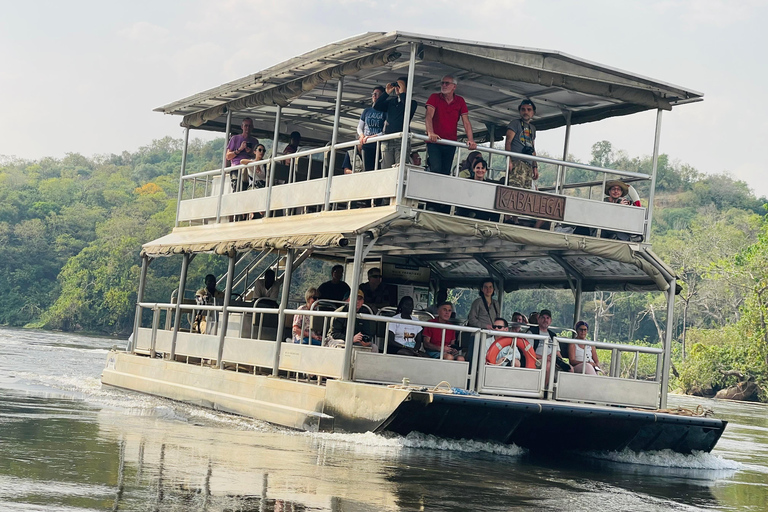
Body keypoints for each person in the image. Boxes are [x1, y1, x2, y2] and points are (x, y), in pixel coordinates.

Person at [425, 75, 477, 176]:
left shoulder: (460, 101)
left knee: (445, 172)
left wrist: (471, 140)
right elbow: (428, 116)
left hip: (450, 142)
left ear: (454, 87)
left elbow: (466, 122)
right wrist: (431, 132)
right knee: (435, 168)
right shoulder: (434, 97)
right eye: (442, 83)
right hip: (434, 141)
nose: (444, 85)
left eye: (447, 83)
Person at [373, 77, 418, 168]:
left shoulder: (412, 103)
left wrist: (403, 93)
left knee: (400, 168)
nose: (397, 88)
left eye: (399, 86)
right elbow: (376, 106)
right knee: (386, 168)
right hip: (388, 139)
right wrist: (386, 93)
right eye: (396, 85)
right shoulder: (391, 102)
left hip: (401, 139)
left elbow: (407, 108)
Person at [505, 100, 539, 189]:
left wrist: (535, 166)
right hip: (517, 162)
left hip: (529, 163)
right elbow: (508, 142)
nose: (526, 112)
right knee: (515, 189)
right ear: (520, 111)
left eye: (529, 110)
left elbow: (533, 147)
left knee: (526, 192)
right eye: (523, 109)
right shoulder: (515, 123)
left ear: (533, 113)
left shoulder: (533, 128)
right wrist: (509, 160)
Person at [529, 309, 572, 373]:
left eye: (547, 318)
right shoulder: (531, 332)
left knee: (570, 369)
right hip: (537, 361)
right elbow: (529, 352)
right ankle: (546, 383)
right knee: (548, 364)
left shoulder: (553, 335)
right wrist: (544, 357)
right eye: (543, 318)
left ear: (550, 321)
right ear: (538, 319)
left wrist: (561, 361)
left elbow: (558, 353)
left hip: (553, 361)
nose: (545, 320)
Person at [225, 118, 259, 192]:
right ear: (242, 127)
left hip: (249, 167)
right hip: (237, 167)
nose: (247, 128)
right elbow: (228, 156)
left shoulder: (255, 141)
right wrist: (239, 149)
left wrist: (250, 152)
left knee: (248, 188)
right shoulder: (235, 139)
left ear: (252, 127)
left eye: (249, 126)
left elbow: (257, 156)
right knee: (236, 186)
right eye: (246, 126)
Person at [358, 86, 387, 170]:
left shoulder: (385, 111)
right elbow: (360, 127)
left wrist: (372, 137)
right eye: (373, 94)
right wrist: (362, 135)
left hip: (378, 144)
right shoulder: (367, 111)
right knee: (367, 167)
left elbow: (385, 130)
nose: (374, 96)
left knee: (377, 167)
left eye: (377, 94)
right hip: (366, 144)